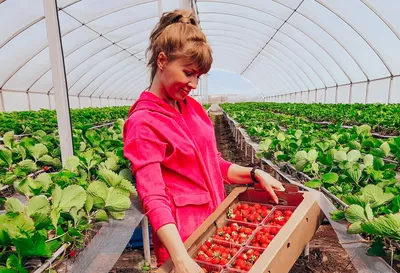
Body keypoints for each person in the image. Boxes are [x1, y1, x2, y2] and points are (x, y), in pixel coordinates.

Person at [123, 9, 284, 273]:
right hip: (184, 240)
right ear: (162, 61)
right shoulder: (143, 122)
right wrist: (181, 258)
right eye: (188, 73)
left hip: (216, 225)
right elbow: (152, 194)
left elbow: (214, 162)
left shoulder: (192, 109)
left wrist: (254, 174)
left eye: (198, 76)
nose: (194, 84)